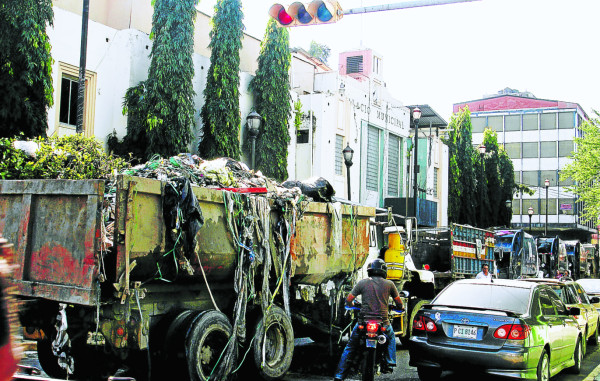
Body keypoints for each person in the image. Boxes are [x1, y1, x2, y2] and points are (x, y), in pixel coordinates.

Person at [333, 259, 403, 381]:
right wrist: (398, 307)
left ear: (370, 271)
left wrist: (351, 304)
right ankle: (390, 361)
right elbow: (399, 303)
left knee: (350, 347)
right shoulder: (389, 284)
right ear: (384, 271)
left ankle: (339, 375)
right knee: (391, 336)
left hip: (363, 323)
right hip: (383, 323)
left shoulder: (362, 283)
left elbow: (349, 299)